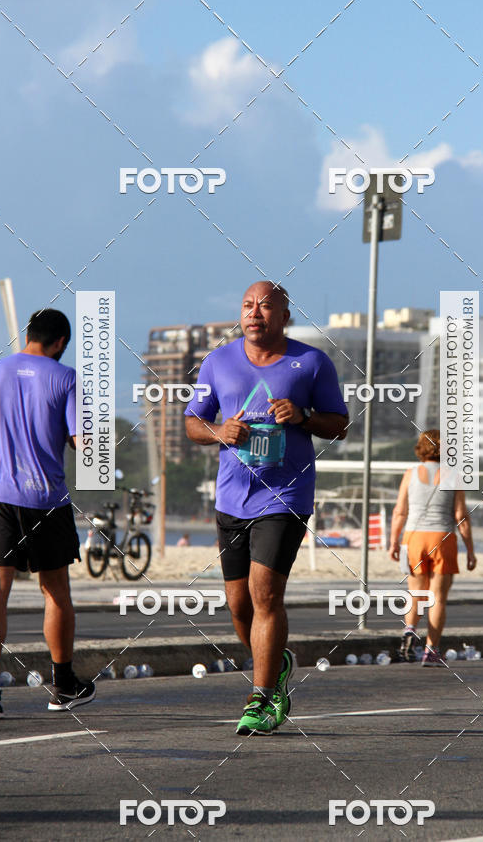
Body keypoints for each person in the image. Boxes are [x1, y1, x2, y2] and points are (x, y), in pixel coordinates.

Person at [185, 282, 348, 734]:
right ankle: (274, 662)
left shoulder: (312, 363)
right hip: (232, 496)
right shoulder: (218, 361)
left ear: (285, 315)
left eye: (266, 306)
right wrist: (219, 431)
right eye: (248, 305)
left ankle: (263, 697)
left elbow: (340, 425)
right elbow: (192, 423)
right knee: (238, 604)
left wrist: (302, 417)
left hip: (285, 496)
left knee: (264, 594)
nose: (255, 312)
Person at [0, 309, 95, 718]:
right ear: (60, 342)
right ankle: (62, 685)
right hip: (46, 498)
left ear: (29, 335)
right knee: (55, 589)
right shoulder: (67, 378)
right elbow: (84, 444)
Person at [388, 429, 477, 666]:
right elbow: (461, 516)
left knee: (416, 593)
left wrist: (393, 541)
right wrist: (470, 549)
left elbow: (399, 511)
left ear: (421, 448)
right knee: (438, 598)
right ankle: (431, 651)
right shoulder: (453, 476)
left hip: (414, 537)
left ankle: (410, 629)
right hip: (443, 538)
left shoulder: (410, 473)